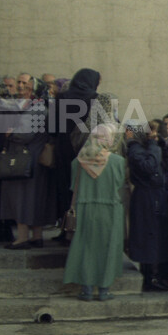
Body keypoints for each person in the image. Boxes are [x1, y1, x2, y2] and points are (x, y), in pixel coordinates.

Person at [63, 124, 126, 301]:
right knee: (108, 248)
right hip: (110, 210)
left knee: (86, 248)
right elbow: (119, 184)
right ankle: (104, 290)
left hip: (85, 209)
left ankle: (87, 290)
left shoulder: (77, 162)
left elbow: (72, 187)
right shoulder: (118, 161)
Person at [0, 74, 57, 250]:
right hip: (32, 159)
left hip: (27, 160)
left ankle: (22, 238)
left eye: (26, 85)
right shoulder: (37, 107)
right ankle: (36, 237)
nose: (21, 87)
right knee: (34, 199)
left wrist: (9, 133)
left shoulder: (36, 108)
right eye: (20, 83)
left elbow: (24, 134)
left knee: (23, 198)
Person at [52, 69, 101, 244]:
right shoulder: (95, 99)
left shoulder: (62, 97)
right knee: (81, 189)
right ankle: (79, 230)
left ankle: (65, 229)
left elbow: (52, 125)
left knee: (64, 188)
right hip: (84, 149)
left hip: (63, 148)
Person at [125, 120, 168, 292]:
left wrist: (161, 145)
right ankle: (149, 277)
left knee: (156, 233)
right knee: (148, 234)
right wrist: (152, 144)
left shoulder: (148, 147)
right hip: (146, 196)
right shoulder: (135, 149)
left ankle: (155, 275)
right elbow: (150, 167)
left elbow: (165, 165)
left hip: (156, 195)